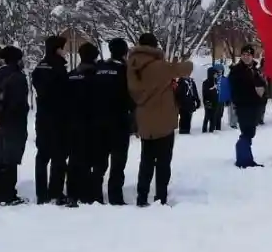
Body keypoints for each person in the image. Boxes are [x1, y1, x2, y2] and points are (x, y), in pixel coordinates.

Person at [126, 32, 193, 206]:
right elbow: (184, 69)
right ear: (155, 47)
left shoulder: (131, 67)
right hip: (163, 122)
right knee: (163, 162)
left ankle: (142, 196)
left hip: (144, 121)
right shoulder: (160, 66)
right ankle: (160, 197)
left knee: (146, 160)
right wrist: (187, 61)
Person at [0, 45, 30, 205]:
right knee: (11, 159)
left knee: (1, 157)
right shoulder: (16, 76)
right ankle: (8, 194)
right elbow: (17, 103)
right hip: (12, 122)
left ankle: (0, 191)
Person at [91, 38, 134, 204]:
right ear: (124, 53)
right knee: (118, 162)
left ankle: (96, 196)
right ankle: (115, 196)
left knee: (99, 162)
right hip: (119, 122)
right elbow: (131, 96)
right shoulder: (125, 70)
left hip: (98, 121)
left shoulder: (99, 68)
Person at [31, 35, 70, 204]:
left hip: (42, 116)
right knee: (59, 156)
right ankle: (55, 190)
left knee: (42, 155)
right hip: (58, 117)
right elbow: (64, 94)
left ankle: (41, 193)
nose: (65, 51)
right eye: (63, 47)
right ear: (57, 49)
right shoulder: (59, 68)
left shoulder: (40, 66)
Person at [64, 42, 101, 204]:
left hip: (72, 123)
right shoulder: (97, 76)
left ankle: (72, 192)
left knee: (74, 158)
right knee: (91, 158)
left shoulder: (71, 75)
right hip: (92, 123)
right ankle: (88, 193)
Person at [228, 45, 267, 167]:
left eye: (248, 55)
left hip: (255, 105)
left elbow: (261, 84)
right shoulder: (236, 70)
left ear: (252, 56)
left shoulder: (255, 69)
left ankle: (246, 157)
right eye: (244, 55)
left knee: (251, 131)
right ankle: (243, 159)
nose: (246, 57)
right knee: (247, 132)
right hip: (243, 105)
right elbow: (235, 88)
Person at [201, 65, 223, 132]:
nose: (216, 75)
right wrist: (212, 89)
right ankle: (204, 129)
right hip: (208, 101)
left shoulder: (216, 81)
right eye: (215, 74)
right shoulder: (206, 82)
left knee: (214, 116)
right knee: (207, 116)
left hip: (215, 101)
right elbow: (205, 92)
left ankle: (212, 129)